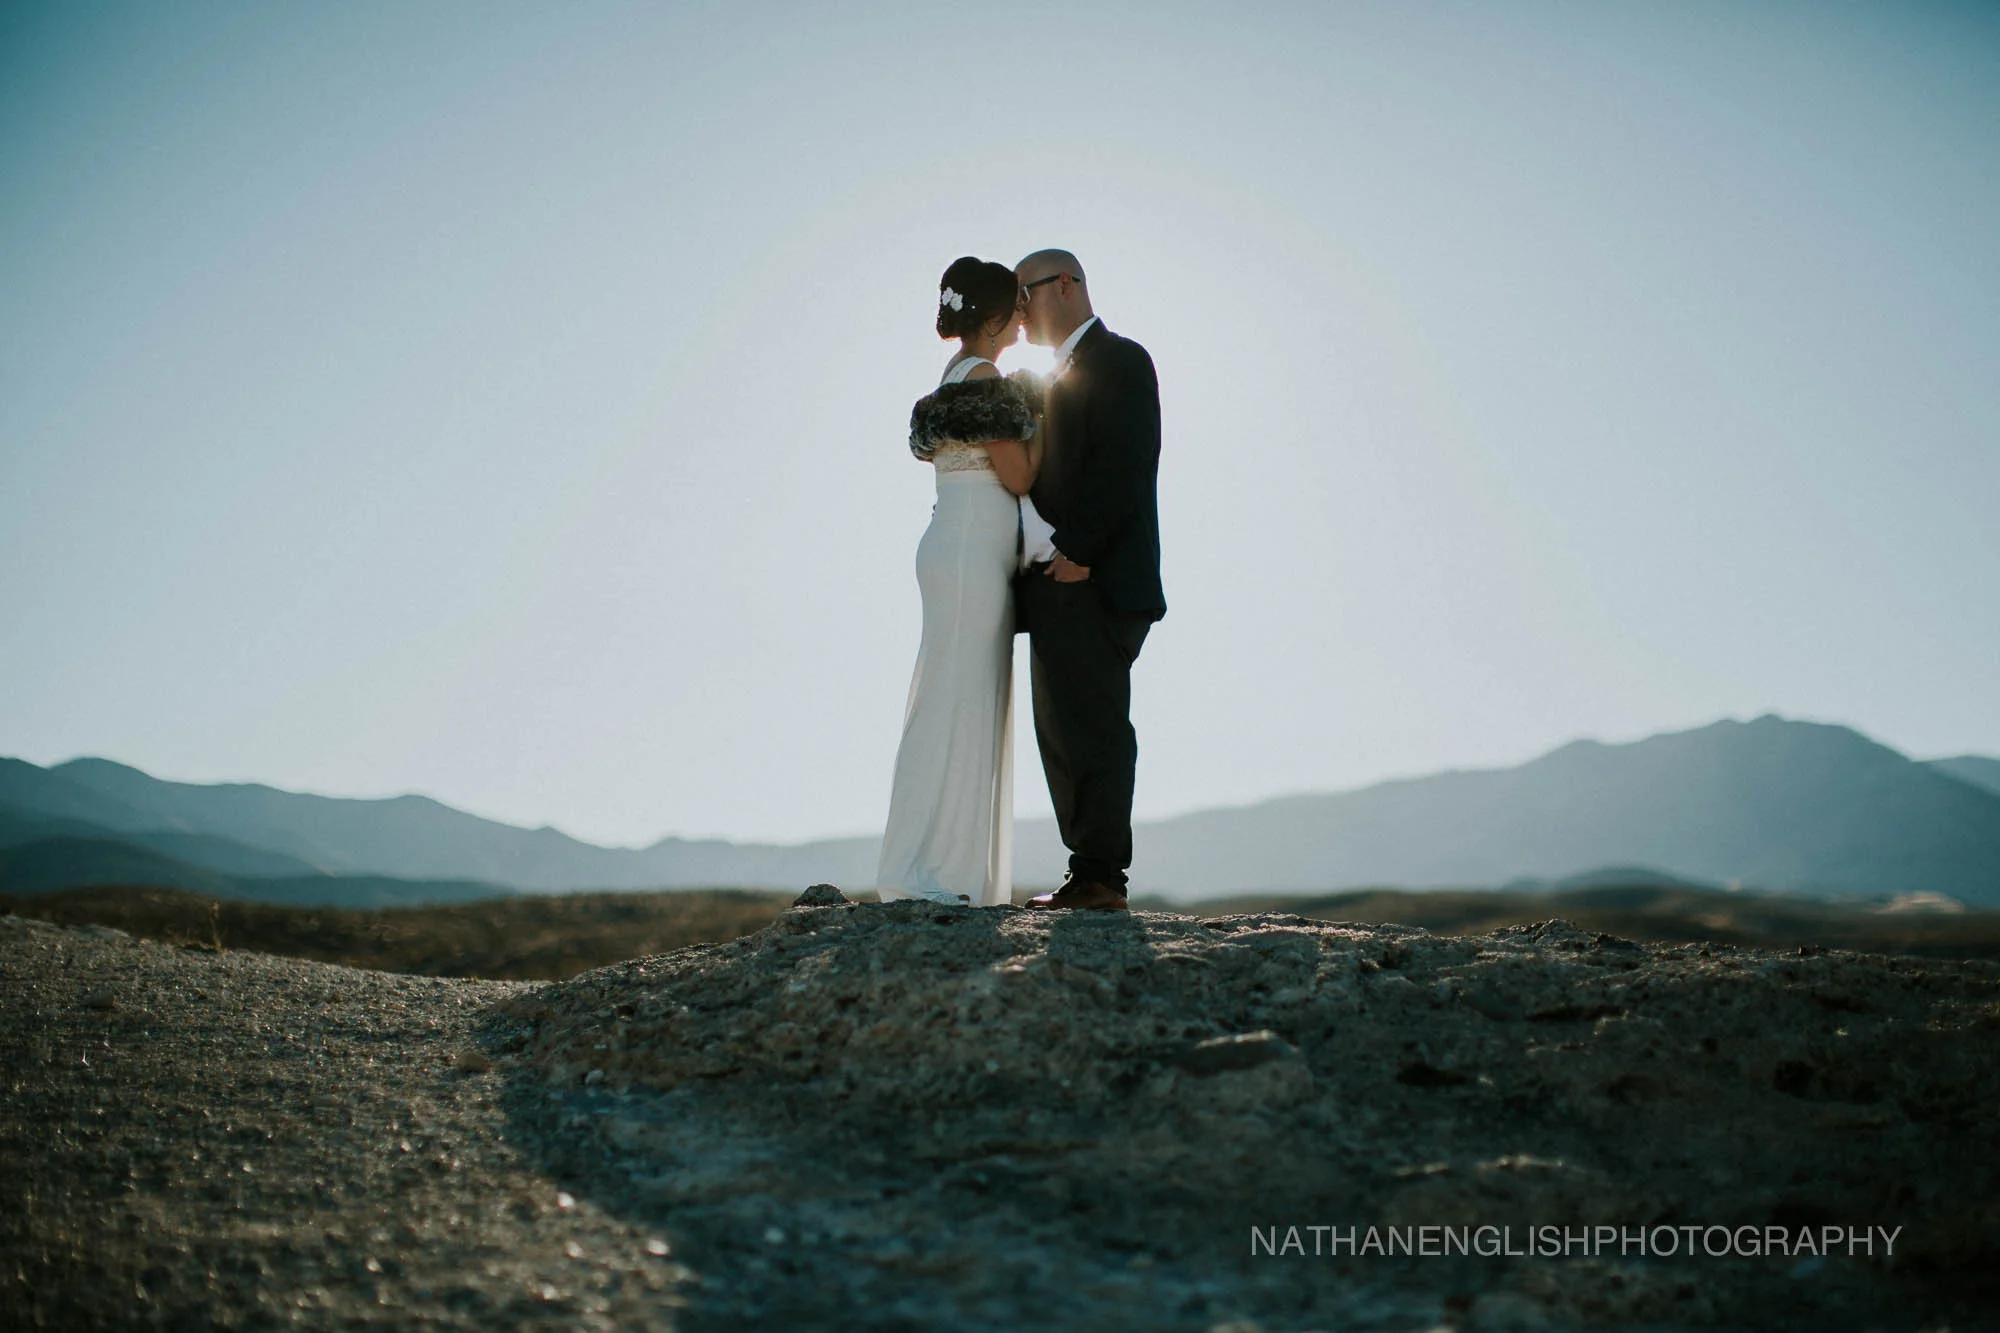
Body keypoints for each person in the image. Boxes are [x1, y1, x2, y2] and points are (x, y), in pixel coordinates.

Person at [875, 258, 1045, 906]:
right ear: (995, 318)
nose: (1025, 317)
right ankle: (938, 871)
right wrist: (1044, 415)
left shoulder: (953, 375)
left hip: (954, 543)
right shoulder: (985, 379)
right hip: (972, 551)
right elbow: (1020, 474)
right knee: (963, 702)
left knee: (949, 698)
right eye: (1017, 306)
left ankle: (933, 863)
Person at [1012, 249, 1165, 912]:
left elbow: (1127, 461)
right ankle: (1087, 872)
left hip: (1096, 579)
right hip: (1058, 581)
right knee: (1061, 729)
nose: (1018, 310)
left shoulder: (1120, 359)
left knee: (1095, 727)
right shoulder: (1052, 376)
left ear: (1067, 285)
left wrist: (1081, 552)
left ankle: (1103, 878)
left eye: (1025, 293)